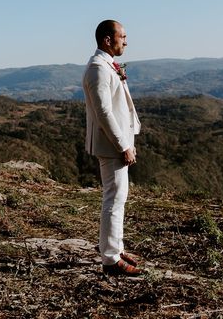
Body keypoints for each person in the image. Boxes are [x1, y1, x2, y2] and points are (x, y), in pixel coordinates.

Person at [82, 20, 143, 275]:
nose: (126, 41)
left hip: (117, 144)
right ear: (108, 39)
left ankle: (115, 249)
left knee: (119, 198)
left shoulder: (107, 65)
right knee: (113, 200)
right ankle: (110, 259)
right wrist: (123, 146)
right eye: (123, 36)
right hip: (111, 146)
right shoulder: (98, 69)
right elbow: (104, 113)